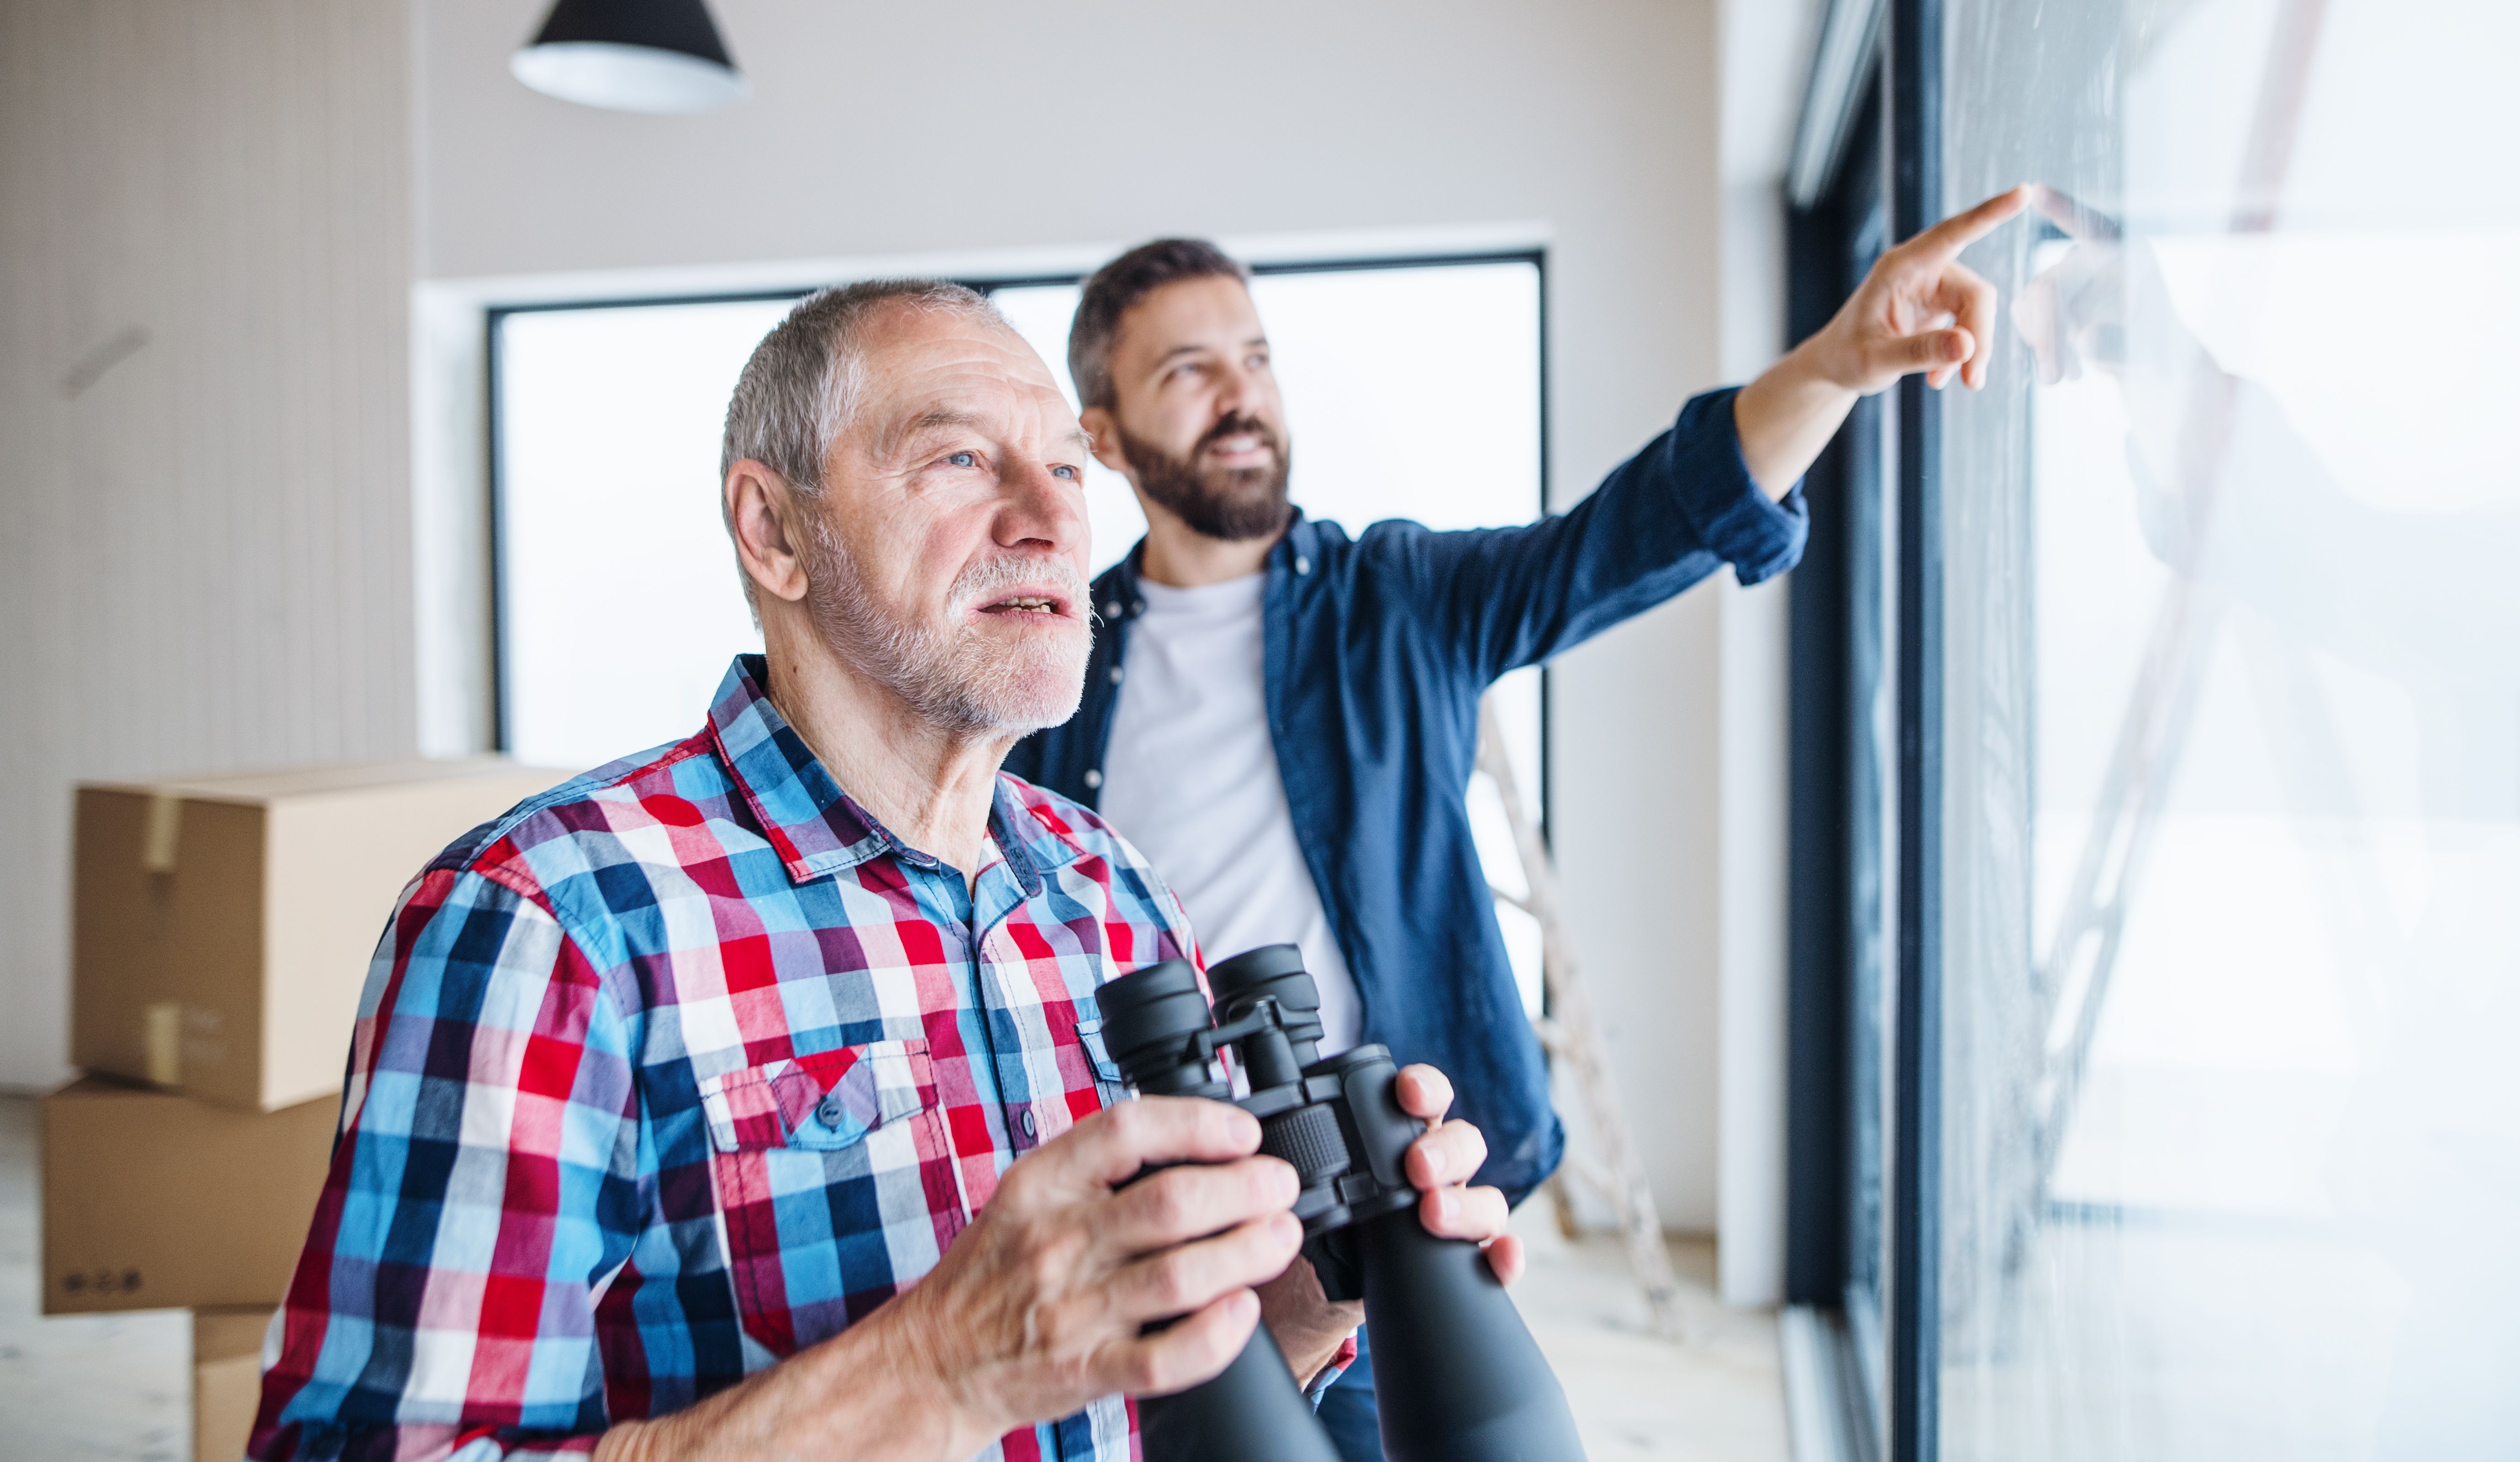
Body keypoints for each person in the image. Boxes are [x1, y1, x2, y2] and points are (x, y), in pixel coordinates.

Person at [249, 280, 1519, 1462]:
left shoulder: (1114, 894)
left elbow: (1146, 1419)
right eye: (961, 458)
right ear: (774, 530)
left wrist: (1303, 1306)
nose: (1049, 517)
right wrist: (940, 1365)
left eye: (1068, 469)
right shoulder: (551, 924)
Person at [1007, 190, 2030, 1457]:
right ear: (1102, 436)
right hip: (1162, 1202)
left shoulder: (1395, 594)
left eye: (1256, 358)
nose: (1242, 395)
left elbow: (1628, 536)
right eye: (1188, 369)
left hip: (1393, 1185)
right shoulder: (1050, 668)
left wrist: (1834, 367)